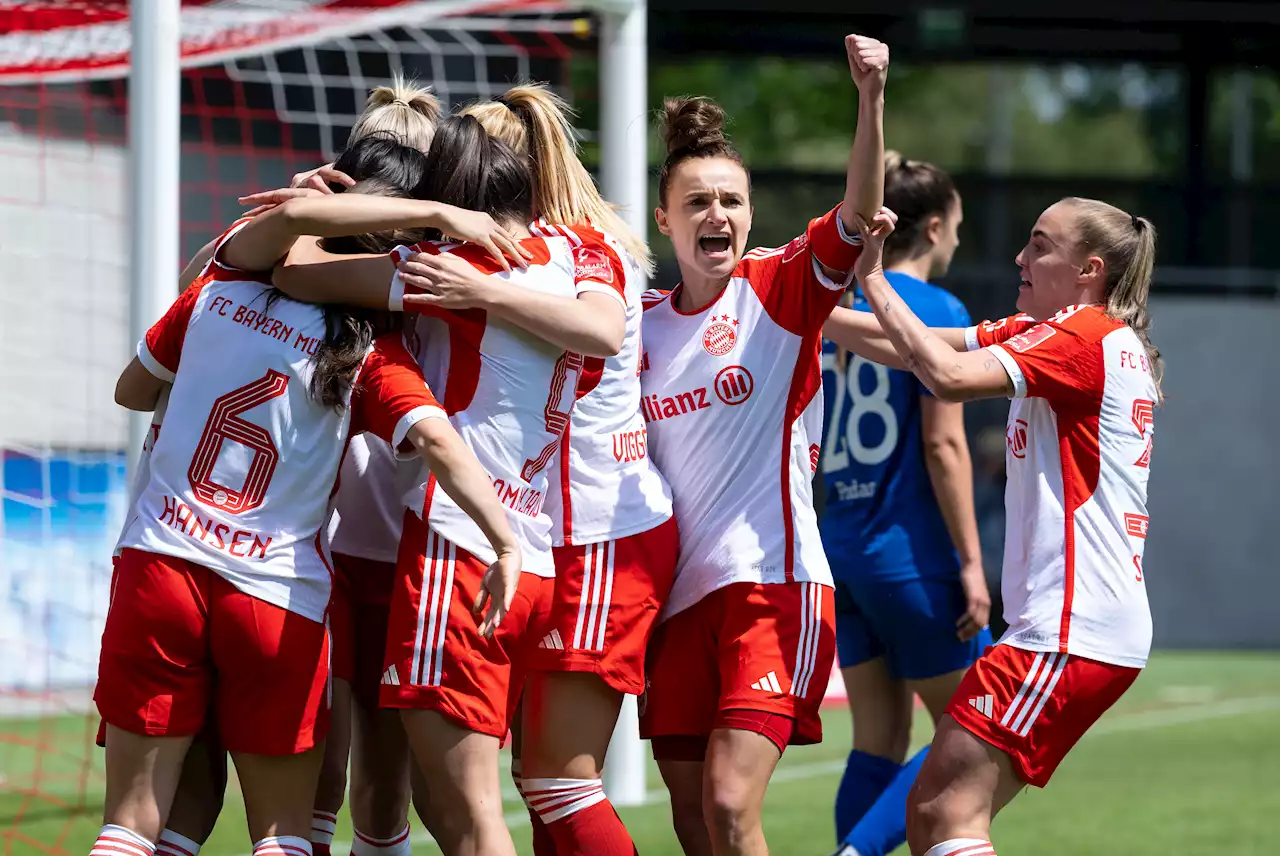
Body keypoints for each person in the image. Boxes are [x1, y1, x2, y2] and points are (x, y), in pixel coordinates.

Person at [91, 135, 521, 856]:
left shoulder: (221, 280)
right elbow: (443, 445)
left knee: (132, 824)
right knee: (284, 836)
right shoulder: (374, 355)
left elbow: (130, 391)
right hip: (274, 597)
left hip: (161, 567)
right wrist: (505, 540)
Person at [260, 114, 615, 856]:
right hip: (530, 549)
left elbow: (289, 270)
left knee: (466, 813)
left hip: (456, 548)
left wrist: (311, 207)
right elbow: (604, 333)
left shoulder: (443, 269)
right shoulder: (581, 254)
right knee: (448, 800)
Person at [391, 83, 677, 856]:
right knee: (520, 784)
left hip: (591, 528)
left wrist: (476, 286)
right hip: (549, 529)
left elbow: (601, 330)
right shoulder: (565, 245)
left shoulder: (565, 252)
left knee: (555, 780)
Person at [840, 198, 1159, 856]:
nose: (1020, 257)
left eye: (1040, 245)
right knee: (936, 811)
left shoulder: (1084, 336)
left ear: (1088, 270)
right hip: (1073, 629)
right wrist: (794, 305)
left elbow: (948, 376)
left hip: (1068, 630)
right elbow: (907, 350)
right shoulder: (1065, 332)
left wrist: (870, 279)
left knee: (946, 811)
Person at [634, 33, 888, 856]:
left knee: (730, 803)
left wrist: (870, 97)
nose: (719, 216)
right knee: (691, 820)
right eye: (699, 201)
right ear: (664, 218)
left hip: (770, 587)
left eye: (733, 201)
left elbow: (853, 218)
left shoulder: (777, 289)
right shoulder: (631, 328)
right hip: (673, 605)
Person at [821, 154, 991, 856]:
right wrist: (975, 564)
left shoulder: (841, 306)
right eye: (956, 228)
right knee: (976, 727)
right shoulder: (936, 310)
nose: (957, 241)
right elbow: (945, 446)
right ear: (932, 226)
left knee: (878, 740)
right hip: (907, 551)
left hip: (841, 547)